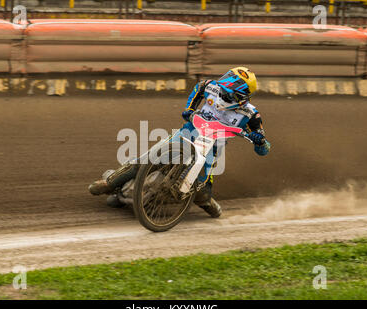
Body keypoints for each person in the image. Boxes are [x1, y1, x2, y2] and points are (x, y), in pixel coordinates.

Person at [89, 67, 271, 218]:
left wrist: (260, 142)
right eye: (222, 89)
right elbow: (198, 89)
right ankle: (110, 183)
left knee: (201, 188)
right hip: (188, 132)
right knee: (150, 157)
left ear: (242, 97)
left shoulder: (251, 115)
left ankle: (206, 201)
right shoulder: (210, 86)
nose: (222, 94)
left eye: (228, 94)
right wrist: (189, 109)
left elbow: (264, 149)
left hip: (211, 146)